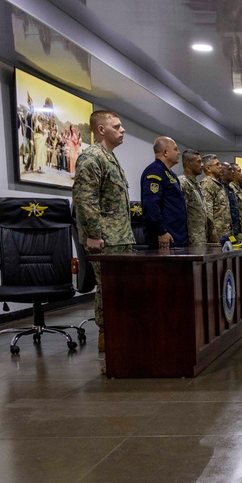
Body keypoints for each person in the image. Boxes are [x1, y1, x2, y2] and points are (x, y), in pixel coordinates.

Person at [72, 110, 133, 354]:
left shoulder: (110, 158)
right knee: (108, 288)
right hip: (105, 239)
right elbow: (86, 201)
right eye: (117, 126)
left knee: (120, 288)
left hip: (119, 237)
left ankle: (121, 333)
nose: (122, 130)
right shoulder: (91, 157)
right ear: (101, 130)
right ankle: (107, 337)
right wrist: (94, 235)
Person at [140, 137, 187, 250]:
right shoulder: (154, 172)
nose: (178, 152)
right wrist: (161, 231)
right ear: (165, 152)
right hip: (165, 238)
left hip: (177, 236)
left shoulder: (170, 174)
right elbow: (151, 205)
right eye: (175, 149)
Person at [178, 150, 209, 246]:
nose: (202, 165)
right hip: (190, 238)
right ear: (188, 163)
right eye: (199, 162)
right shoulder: (182, 182)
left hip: (200, 237)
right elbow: (181, 212)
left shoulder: (196, 184)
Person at [200, 154, 232, 240]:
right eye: (217, 164)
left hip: (224, 233)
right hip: (216, 236)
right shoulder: (207, 184)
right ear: (208, 168)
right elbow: (207, 212)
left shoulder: (217, 184)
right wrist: (213, 234)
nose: (220, 166)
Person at [220, 163, 241, 236]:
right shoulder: (219, 188)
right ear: (221, 172)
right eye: (229, 169)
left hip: (233, 230)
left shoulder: (230, 189)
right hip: (222, 231)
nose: (232, 172)